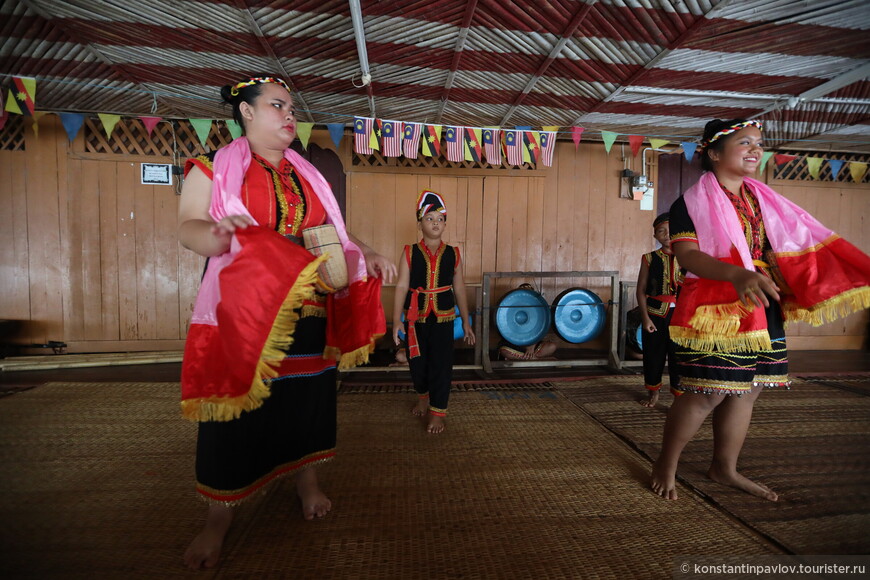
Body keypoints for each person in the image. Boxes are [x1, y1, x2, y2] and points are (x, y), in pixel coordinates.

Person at [177, 75, 396, 570]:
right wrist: (215, 234)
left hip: (310, 309)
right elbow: (190, 227)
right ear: (247, 113)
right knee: (232, 412)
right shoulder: (213, 167)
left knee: (308, 400)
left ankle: (307, 481)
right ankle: (219, 517)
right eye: (277, 106)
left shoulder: (306, 173)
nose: (289, 115)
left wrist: (371, 252)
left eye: (291, 107)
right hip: (245, 311)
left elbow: (332, 231)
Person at [650, 118, 870, 501]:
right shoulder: (689, 202)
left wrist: (792, 278)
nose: (755, 149)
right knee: (707, 393)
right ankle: (664, 465)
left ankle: (724, 468)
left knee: (747, 390)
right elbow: (688, 256)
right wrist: (737, 275)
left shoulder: (761, 198)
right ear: (714, 153)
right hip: (715, 309)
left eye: (758, 143)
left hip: (760, 301)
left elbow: (779, 249)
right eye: (744, 142)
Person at [392, 190, 475, 434]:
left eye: (440, 219)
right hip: (415, 318)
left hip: (444, 318)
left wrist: (467, 323)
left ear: (446, 224)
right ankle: (422, 397)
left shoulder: (454, 253)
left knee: (441, 364)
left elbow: (459, 288)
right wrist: (396, 320)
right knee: (417, 363)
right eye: (429, 218)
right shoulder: (409, 252)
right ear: (419, 223)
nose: (435, 223)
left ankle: (438, 411)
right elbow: (401, 286)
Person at [635, 213, 682, 408]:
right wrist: (645, 319)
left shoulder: (689, 259)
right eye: (661, 231)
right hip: (655, 314)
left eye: (670, 231)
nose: (666, 235)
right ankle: (653, 393)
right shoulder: (649, 258)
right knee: (653, 355)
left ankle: (679, 398)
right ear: (655, 235)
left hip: (681, 315)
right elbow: (640, 290)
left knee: (678, 357)